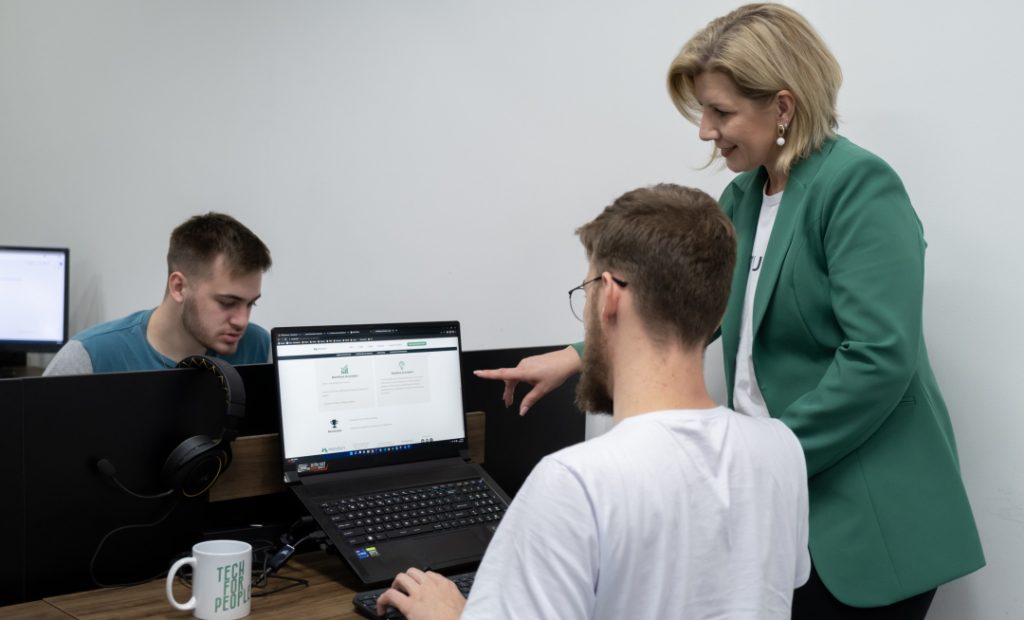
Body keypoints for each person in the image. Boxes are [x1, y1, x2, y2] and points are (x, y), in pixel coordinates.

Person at [476, 4, 985, 618]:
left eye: (720, 112)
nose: (705, 131)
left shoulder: (857, 186)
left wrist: (764, 457)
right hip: (777, 501)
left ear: (783, 107)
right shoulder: (742, 196)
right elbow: (698, 309)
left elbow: (881, 356)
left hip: (863, 521)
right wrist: (577, 356)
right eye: (703, 112)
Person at [376, 184, 810, 620]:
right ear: (717, 310)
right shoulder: (780, 450)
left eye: (585, 292)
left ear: (610, 295)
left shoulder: (574, 484)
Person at [43, 212, 272, 375]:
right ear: (179, 287)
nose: (242, 321)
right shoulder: (91, 357)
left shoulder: (258, 349)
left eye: (251, 304)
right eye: (227, 303)